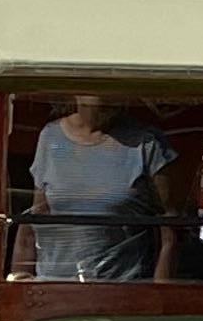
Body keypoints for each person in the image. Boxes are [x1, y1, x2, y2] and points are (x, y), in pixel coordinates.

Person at [19, 99, 188, 283]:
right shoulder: (50, 137)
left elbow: (170, 231)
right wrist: (19, 279)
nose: (111, 99)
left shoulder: (147, 143)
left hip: (122, 290)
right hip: (53, 287)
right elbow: (35, 219)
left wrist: (159, 293)